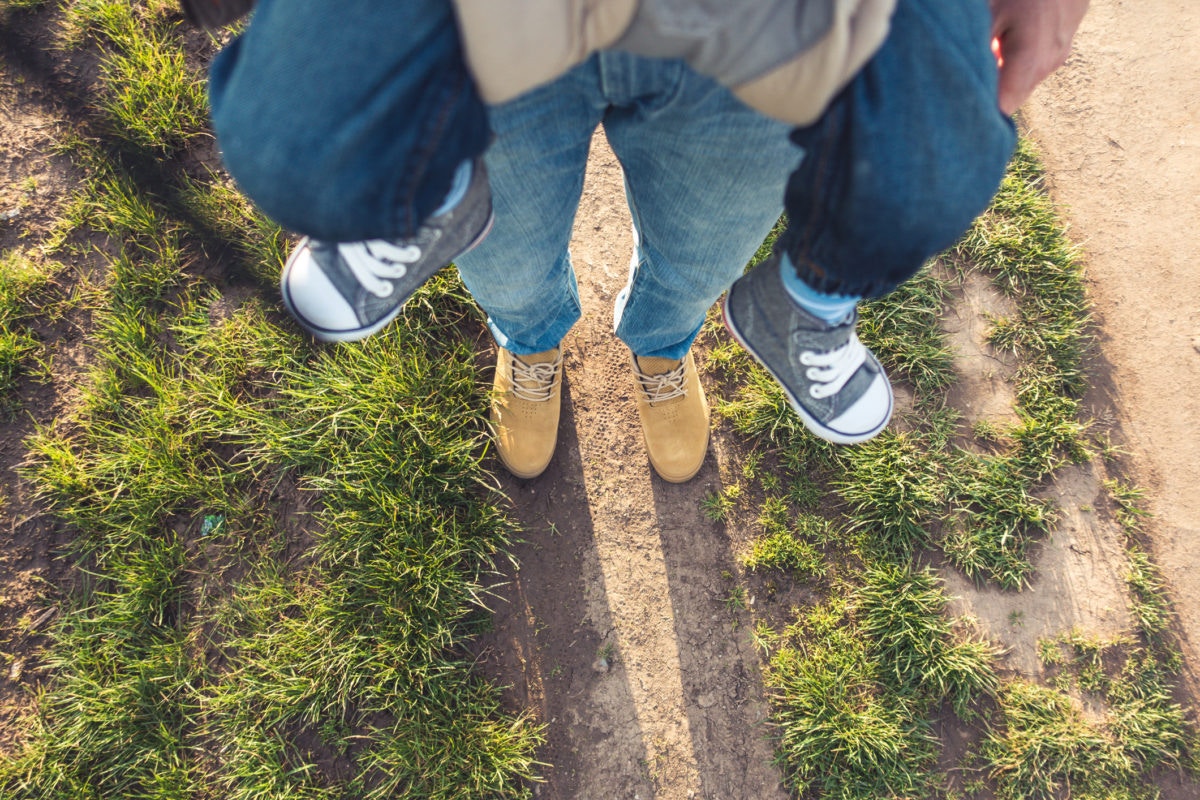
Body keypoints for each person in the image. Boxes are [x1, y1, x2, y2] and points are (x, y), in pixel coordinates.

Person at [204, 0, 1088, 482]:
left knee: (705, 248)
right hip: (480, 24)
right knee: (503, 252)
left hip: (781, 31)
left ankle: (666, 347)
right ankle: (532, 341)